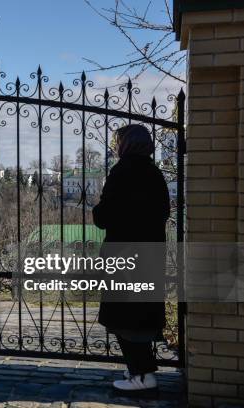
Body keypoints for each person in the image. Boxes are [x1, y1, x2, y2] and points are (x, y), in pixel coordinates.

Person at [92, 124, 170, 394]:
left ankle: (142, 375)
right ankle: (139, 369)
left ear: (126, 144)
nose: (116, 145)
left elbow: (103, 216)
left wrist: (98, 208)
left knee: (125, 318)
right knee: (139, 316)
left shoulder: (122, 171)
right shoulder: (154, 173)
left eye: (118, 140)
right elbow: (162, 213)